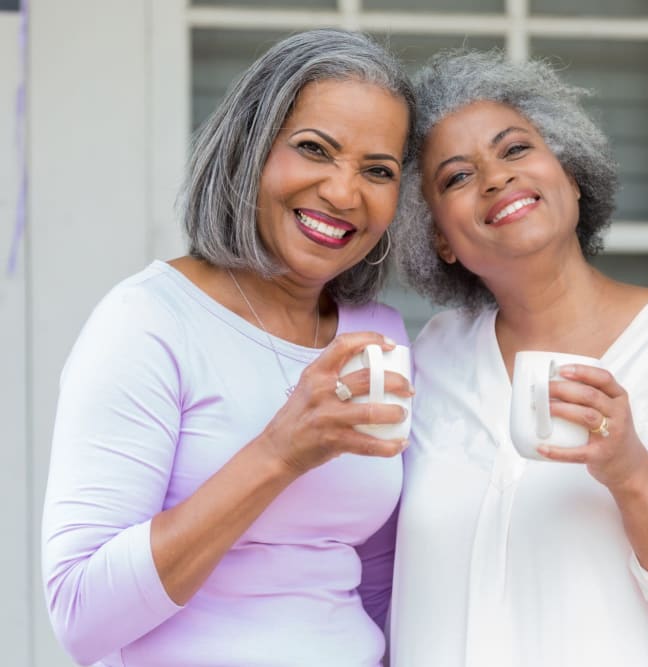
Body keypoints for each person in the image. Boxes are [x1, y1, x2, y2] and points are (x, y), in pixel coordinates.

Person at [389, 50, 648, 667]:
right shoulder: (430, 361)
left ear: (573, 177)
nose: (496, 177)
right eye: (456, 177)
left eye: (516, 149)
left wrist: (632, 473)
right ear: (439, 240)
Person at [41, 29, 414, 667]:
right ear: (247, 149)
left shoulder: (377, 333)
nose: (344, 192)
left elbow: (381, 583)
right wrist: (280, 452)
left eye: (377, 170)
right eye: (313, 149)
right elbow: (80, 615)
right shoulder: (149, 322)